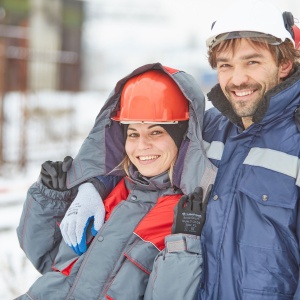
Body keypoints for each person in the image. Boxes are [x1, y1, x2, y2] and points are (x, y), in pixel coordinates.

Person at [58, 0, 300, 299]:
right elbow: (140, 150)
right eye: (226, 65)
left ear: (284, 64)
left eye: (252, 62)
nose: (237, 79)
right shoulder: (205, 128)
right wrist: (92, 184)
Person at [16, 65, 216, 299]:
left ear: (183, 138)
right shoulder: (103, 194)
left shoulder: (187, 213)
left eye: (156, 132)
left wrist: (184, 247)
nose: (142, 145)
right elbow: (48, 259)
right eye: (133, 134)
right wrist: (51, 199)